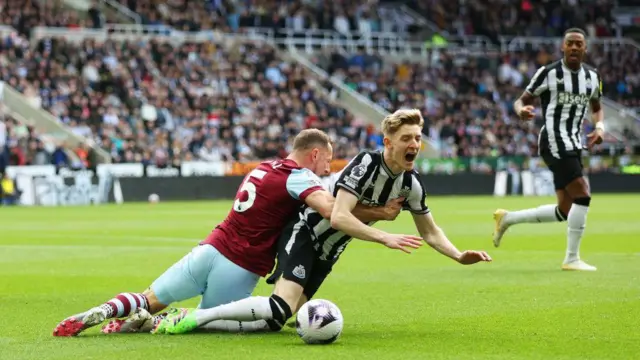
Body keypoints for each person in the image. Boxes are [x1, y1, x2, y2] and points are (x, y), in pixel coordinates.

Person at [151, 108, 493, 335]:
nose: (414, 145)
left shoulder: (411, 184)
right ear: (388, 143)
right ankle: (196, 317)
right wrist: (383, 235)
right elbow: (339, 214)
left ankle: (204, 319)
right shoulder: (365, 165)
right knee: (280, 307)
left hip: (329, 252)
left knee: (279, 320)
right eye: (407, 138)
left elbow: (430, 230)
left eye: (418, 138)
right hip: (304, 232)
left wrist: (458, 255)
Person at [53, 128, 420, 337]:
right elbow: (332, 211)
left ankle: (104, 311)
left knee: (149, 296)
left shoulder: (262, 168)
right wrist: (382, 218)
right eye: (327, 159)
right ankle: (166, 321)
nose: (328, 167)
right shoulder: (301, 177)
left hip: (210, 247)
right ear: (312, 154)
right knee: (254, 321)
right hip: (240, 263)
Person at [492, 28, 604, 271]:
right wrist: (520, 110)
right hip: (553, 139)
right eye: (570, 43)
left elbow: (596, 106)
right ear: (562, 48)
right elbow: (521, 99)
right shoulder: (549, 73)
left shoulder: (592, 77)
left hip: (574, 143)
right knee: (583, 194)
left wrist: (601, 127)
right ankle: (571, 259)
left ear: (585, 48)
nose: (574, 47)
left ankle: (508, 219)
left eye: (578, 44)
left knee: (565, 209)